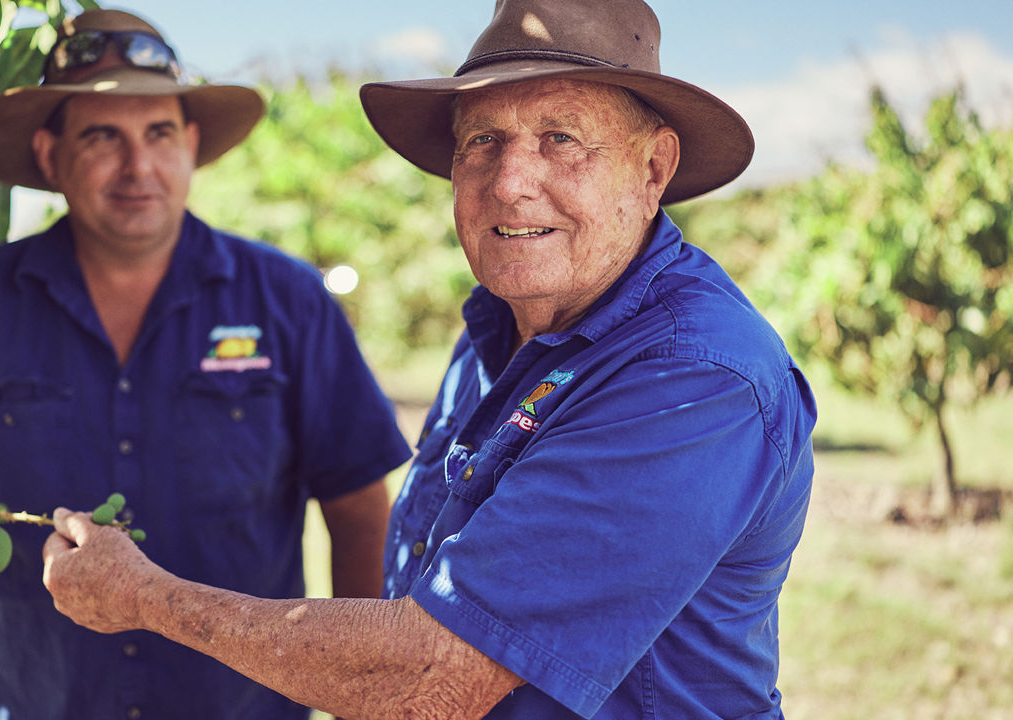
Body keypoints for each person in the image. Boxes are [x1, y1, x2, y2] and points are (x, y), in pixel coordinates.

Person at [41, 0, 817, 718]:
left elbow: (432, 675)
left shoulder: (695, 376)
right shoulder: (501, 326)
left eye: (562, 139)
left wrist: (147, 599)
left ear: (653, 171)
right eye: (484, 140)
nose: (511, 183)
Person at [0, 9, 411, 720]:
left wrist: (356, 694)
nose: (139, 167)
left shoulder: (286, 300)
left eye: (159, 134)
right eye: (103, 136)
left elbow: (356, 507)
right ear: (50, 154)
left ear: (191, 145)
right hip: (38, 701)